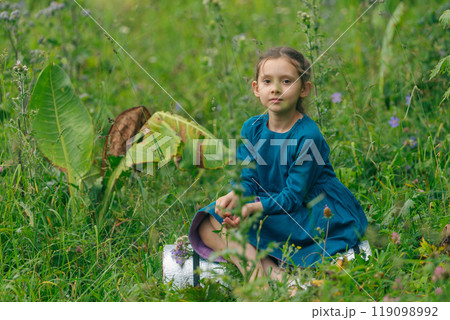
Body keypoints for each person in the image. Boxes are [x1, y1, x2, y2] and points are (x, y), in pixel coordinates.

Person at [188, 46, 368, 281]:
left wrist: (252, 208)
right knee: (211, 222)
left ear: (304, 89)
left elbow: (293, 197)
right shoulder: (252, 128)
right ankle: (270, 275)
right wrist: (237, 195)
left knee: (233, 228)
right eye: (267, 81)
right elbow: (247, 176)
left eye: (286, 81)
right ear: (256, 88)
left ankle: (264, 279)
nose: (275, 88)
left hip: (309, 212)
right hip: (270, 204)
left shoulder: (307, 136)